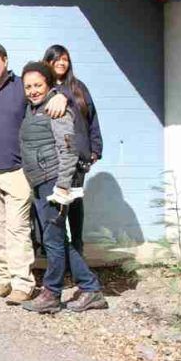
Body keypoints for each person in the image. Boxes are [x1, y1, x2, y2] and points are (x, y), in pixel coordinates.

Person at [0, 42, 68, 304]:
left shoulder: (20, 87)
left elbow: (45, 89)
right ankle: (3, 278)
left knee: (18, 229)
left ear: (5, 60)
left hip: (17, 171)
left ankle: (22, 283)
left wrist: (61, 94)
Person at [18, 62, 108, 313]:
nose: (33, 90)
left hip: (53, 181)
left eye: (38, 85)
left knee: (54, 240)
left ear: (49, 85)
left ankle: (52, 293)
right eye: (28, 86)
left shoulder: (55, 108)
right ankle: (90, 289)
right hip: (40, 180)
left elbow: (68, 150)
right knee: (55, 238)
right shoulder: (32, 109)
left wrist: (62, 185)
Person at [43, 44, 103, 255]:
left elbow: (92, 118)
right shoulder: (42, 88)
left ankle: (77, 246)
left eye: (65, 59)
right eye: (56, 59)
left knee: (75, 203)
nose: (61, 62)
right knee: (55, 206)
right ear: (47, 62)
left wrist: (95, 149)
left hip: (78, 156)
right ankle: (55, 251)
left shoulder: (79, 87)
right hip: (52, 158)